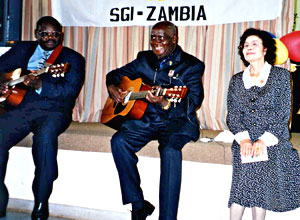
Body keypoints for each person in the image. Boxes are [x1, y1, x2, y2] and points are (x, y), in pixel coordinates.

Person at [105, 21, 204, 220]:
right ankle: (138, 204)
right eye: (153, 37)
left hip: (177, 121)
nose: (155, 42)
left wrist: (165, 103)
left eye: (162, 37)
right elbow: (114, 75)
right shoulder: (144, 59)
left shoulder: (191, 65)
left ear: (174, 39)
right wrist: (112, 87)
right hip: (147, 119)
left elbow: (194, 101)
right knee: (119, 141)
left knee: (169, 150)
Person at [0, 16, 85, 220]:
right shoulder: (22, 49)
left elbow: (70, 92)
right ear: (37, 33)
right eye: (45, 33)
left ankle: (40, 203)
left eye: (55, 34)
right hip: (22, 108)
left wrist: (40, 86)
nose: (50, 37)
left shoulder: (72, 59)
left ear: (61, 35)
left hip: (55, 111)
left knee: (45, 142)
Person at [226, 28, 300, 220]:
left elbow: (282, 113)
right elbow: (233, 115)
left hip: (273, 140)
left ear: (265, 49)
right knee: (248, 175)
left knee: (254, 176)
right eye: (245, 45)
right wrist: (243, 140)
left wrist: (262, 140)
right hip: (244, 141)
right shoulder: (236, 80)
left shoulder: (281, 76)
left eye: (254, 44)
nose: (248, 48)